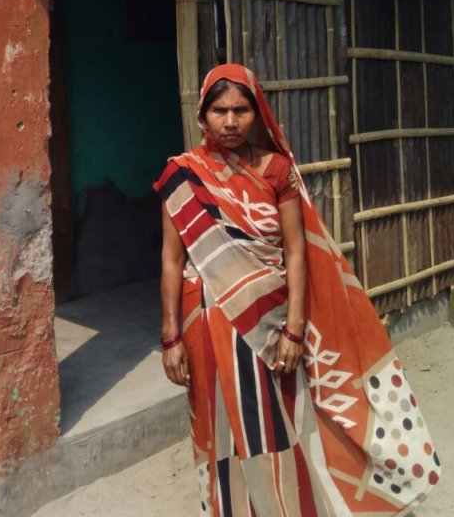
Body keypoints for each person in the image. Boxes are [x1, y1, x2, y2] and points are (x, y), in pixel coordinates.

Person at [155, 64, 439, 516]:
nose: (231, 122)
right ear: (202, 116)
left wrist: (294, 328)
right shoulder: (183, 175)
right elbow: (172, 260)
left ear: (258, 113)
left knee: (279, 422)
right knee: (220, 423)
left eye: (241, 110)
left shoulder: (277, 171)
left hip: (268, 322)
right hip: (206, 322)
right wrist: (170, 337)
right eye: (220, 111)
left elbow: (296, 253)